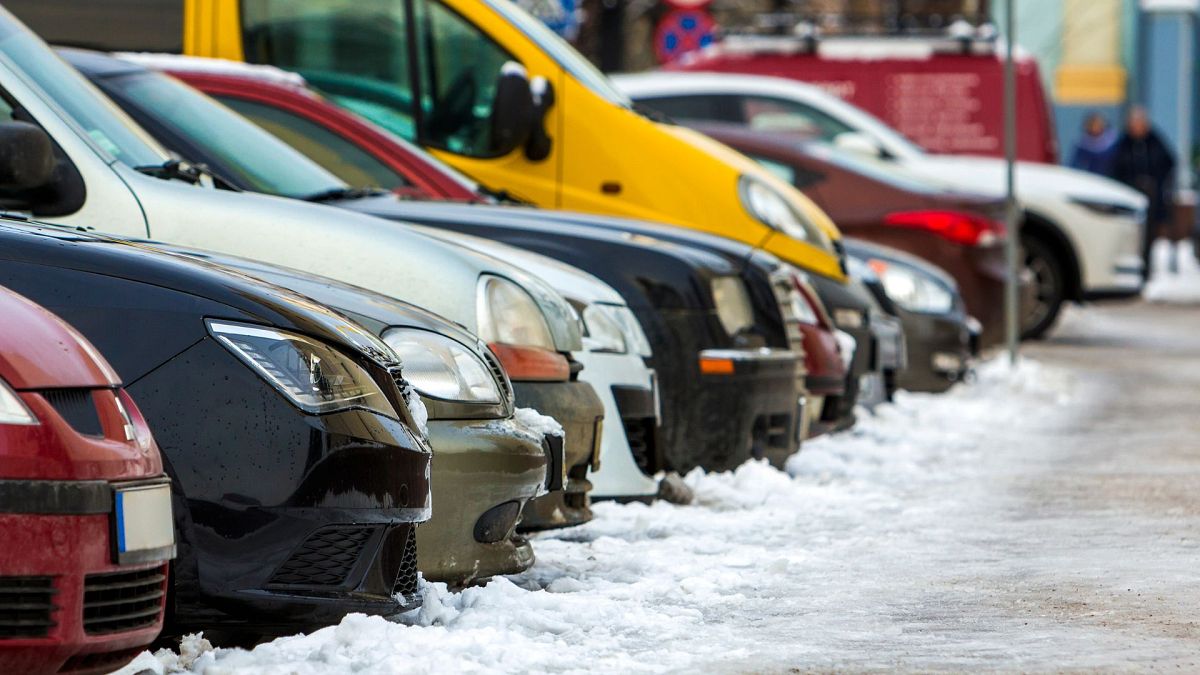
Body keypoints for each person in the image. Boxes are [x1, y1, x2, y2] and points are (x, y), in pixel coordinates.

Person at [1111, 106, 1176, 277]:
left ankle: (1146, 270)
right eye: (1133, 123)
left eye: (1140, 123)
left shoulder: (1155, 141)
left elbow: (1169, 162)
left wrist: (1156, 181)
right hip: (1129, 195)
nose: (1136, 127)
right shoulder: (1124, 144)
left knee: (1148, 235)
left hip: (1151, 196)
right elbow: (1115, 168)